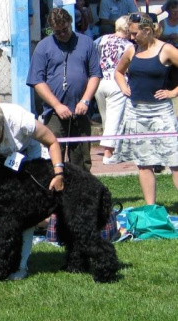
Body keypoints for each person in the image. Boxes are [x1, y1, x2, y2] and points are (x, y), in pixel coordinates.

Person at [0, 102, 65, 280]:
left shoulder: (20, 120)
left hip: (26, 156)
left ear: (2, 125)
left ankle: (20, 266)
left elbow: (52, 141)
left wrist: (59, 173)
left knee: (23, 213)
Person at [114, 12, 178, 205]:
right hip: (135, 112)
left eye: (135, 34)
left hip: (161, 113)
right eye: (130, 33)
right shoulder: (132, 50)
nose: (131, 38)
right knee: (144, 163)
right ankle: (151, 208)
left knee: (175, 162)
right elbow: (118, 71)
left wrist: (173, 92)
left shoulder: (167, 50)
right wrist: (123, 85)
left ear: (148, 30)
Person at [27, 7, 101, 172]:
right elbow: (37, 81)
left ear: (71, 23)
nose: (62, 34)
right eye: (57, 32)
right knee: (54, 159)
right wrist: (57, 105)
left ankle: (81, 195)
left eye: (65, 29)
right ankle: (55, 193)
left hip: (81, 110)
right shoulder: (43, 46)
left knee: (81, 160)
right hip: (53, 113)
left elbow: (95, 75)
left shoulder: (86, 42)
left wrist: (85, 100)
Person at [94, 15, 131, 164]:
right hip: (117, 82)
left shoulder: (101, 39)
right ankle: (108, 154)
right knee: (114, 119)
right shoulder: (129, 45)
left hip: (100, 82)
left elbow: (92, 54)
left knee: (106, 118)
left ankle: (112, 149)